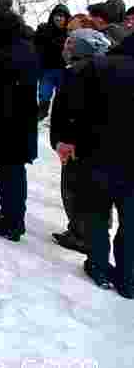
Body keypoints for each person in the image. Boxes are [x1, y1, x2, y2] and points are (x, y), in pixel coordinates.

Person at [51, 33, 134, 298]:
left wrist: (67, 140)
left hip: (97, 154)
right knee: (130, 222)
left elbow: (72, 107)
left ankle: (98, 266)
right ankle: (127, 277)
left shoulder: (94, 68)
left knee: (97, 215)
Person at [0, 11, 40, 242]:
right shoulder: (26, 48)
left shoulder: (2, 55)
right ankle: (12, 214)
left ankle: (11, 222)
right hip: (21, 123)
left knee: (6, 175)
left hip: (4, 127)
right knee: (15, 174)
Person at [49, 29, 112, 255]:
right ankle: (87, 232)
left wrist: (65, 140)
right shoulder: (104, 69)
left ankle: (81, 234)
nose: (65, 48)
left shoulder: (78, 73)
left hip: (77, 144)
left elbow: (72, 110)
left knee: (75, 190)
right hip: (97, 143)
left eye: (70, 44)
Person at [34, 4, 71, 120]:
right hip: (47, 69)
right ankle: (42, 111)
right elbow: (35, 47)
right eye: (56, 15)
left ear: (66, 18)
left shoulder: (70, 32)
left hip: (63, 70)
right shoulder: (44, 29)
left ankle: (60, 116)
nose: (58, 18)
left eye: (62, 16)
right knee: (44, 93)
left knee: (62, 96)